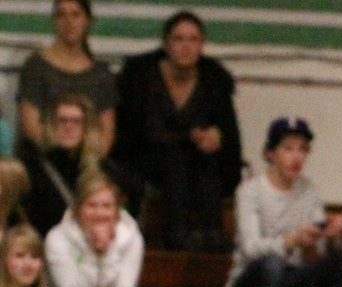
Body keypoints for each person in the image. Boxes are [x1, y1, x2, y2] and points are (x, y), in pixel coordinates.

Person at [226, 117, 342, 287]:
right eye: (288, 148)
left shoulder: (309, 190)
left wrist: (331, 236)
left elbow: (320, 252)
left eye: (303, 149)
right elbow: (250, 249)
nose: (297, 157)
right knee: (272, 264)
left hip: (291, 280)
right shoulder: (250, 191)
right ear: (270, 153)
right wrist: (290, 241)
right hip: (251, 283)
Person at [111, 10, 240, 252]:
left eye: (193, 39)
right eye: (179, 39)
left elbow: (229, 135)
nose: (186, 47)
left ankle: (213, 235)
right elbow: (132, 132)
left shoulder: (214, 81)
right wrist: (186, 138)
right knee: (176, 158)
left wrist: (217, 137)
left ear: (202, 45)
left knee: (204, 162)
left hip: (200, 166)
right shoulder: (141, 77)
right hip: (145, 159)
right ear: (166, 44)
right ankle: (176, 234)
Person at [15, 0, 116, 153]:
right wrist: (61, 156)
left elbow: (106, 132)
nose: (69, 22)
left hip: (89, 160)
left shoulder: (101, 74)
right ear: (54, 20)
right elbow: (30, 125)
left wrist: (88, 159)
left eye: (75, 15)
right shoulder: (36, 67)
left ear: (88, 20)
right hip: (43, 157)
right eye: (61, 15)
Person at [18, 93, 120, 237]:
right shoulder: (33, 169)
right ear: (51, 125)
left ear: (87, 126)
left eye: (76, 121)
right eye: (62, 121)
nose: (69, 127)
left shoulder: (103, 170)